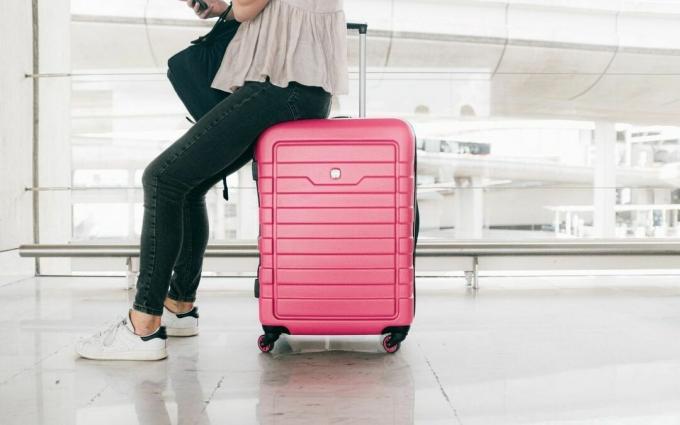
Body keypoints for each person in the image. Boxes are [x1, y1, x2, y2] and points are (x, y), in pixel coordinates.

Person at [76, 0, 348, 360]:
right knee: (188, 186)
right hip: (302, 87)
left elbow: (250, 6)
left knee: (162, 178)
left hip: (281, 85)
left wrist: (229, 8)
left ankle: (143, 326)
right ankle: (178, 306)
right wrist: (225, 7)